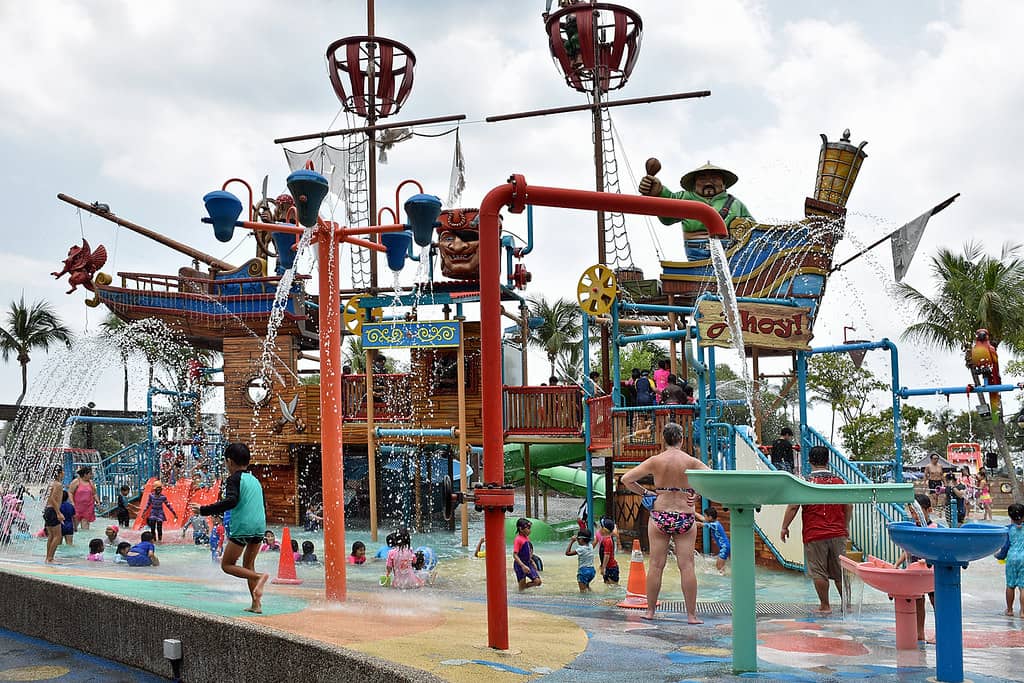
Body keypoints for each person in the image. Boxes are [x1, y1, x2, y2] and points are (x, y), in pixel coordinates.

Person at [621, 422, 708, 622]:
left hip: (660, 515)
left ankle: (650, 612)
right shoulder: (691, 461)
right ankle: (691, 615)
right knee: (687, 566)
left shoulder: (655, 460)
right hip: (685, 516)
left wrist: (645, 492)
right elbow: (712, 478)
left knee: (655, 565)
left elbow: (626, 479)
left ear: (663, 439)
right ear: (682, 439)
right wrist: (698, 493)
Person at [190, 442, 270, 614]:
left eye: (226, 463)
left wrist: (204, 510)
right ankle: (256, 604)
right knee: (248, 565)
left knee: (227, 565)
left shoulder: (234, 479)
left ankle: (259, 577)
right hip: (259, 526)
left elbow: (231, 501)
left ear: (230, 462)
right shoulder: (254, 480)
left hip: (243, 526)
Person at [780, 445, 851, 615]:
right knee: (840, 571)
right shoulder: (839, 482)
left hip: (814, 534)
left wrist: (784, 527)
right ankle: (847, 606)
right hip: (837, 532)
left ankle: (825, 606)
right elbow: (849, 505)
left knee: (819, 571)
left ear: (810, 461)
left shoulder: (805, 482)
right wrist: (845, 526)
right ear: (828, 461)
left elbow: (793, 507)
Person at [638, 161, 754, 261]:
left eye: (714, 178)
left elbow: (754, 229)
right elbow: (668, 209)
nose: (708, 182)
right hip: (696, 251)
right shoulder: (685, 198)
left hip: (730, 252)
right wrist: (658, 192)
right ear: (694, 184)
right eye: (702, 178)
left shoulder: (736, 204)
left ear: (724, 184)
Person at [896, 493, 941, 642]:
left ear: (929, 510)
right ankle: (919, 632)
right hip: (916, 570)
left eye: (918, 512)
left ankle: (940, 632)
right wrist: (896, 564)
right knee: (918, 601)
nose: (915, 515)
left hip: (931, 572)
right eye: (913, 512)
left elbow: (938, 549)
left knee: (936, 602)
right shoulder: (913, 528)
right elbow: (908, 549)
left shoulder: (935, 528)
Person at [995, 503, 1024, 617]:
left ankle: (1010, 610)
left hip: (1012, 558)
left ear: (1010, 517)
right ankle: (1022, 612)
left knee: (1010, 585)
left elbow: (1005, 547)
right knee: (1023, 586)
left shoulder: (1007, 529)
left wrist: (999, 556)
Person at [699, 506, 731, 575]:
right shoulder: (715, 523)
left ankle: (724, 579)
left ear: (710, 517)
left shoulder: (715, 525)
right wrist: (693, 512)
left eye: (705, 516)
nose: (704, 517)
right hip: (724, 547)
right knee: (720, 567)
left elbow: (701, 524)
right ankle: (725, 575)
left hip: (724, 548)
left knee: (719, 567)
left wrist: (689, 522)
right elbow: (702, 519)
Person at [512, 518, 542, 590]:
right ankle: (522, 589)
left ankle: (524, 587)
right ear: (521, 529)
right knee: (521, 590)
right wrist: (523, 566)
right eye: (528, 528)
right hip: (520, 566)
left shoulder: (526, 538)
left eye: (530, 528)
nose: (530, 530)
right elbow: (515, 555)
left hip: (528, 563)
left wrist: (532, 561)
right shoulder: (518, 539)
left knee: (538, 582)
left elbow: (528, 551)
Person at [43, 466, 65, 563]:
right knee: (58, 536)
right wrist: (58, 512)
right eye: (62, 471)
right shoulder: (58, 485)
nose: (64, 473)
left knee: (51, 536)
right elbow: (52, 498)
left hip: (47, 510)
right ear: (59, 473)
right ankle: (50, 558)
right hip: (53, 510)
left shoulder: (51, 484)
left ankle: (48, 557)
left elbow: (48, 497)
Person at [565, 527, 598, 592]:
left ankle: (587, 601)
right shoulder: (590, 546)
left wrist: (571, 541)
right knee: (587, 587)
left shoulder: (581, 549)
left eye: (578, 539)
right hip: (592, 571)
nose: (577, 540)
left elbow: (567, 553)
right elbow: (596, 540)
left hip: (583, 571)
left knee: (583, 592)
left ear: (582, 540)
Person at [68, 466, 100, 531]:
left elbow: (94, 493)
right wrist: (72, 502)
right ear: (85, 474)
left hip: (88, 507)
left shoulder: (90, 482)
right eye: (90, 474)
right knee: (74, 528)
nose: (92, 475)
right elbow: (70, 492)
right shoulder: (76, 481)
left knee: (85, 529)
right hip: (77, 507)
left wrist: (98, 501)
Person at [596, 517, 620, 585]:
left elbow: (607, 556)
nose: (599, 529)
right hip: (607, 567)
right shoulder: (605, 539)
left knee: (614, 587)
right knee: (608, 586)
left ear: (605, 530)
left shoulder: (608, 541)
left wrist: (603, 567)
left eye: (601, 527)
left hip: (611, 568)